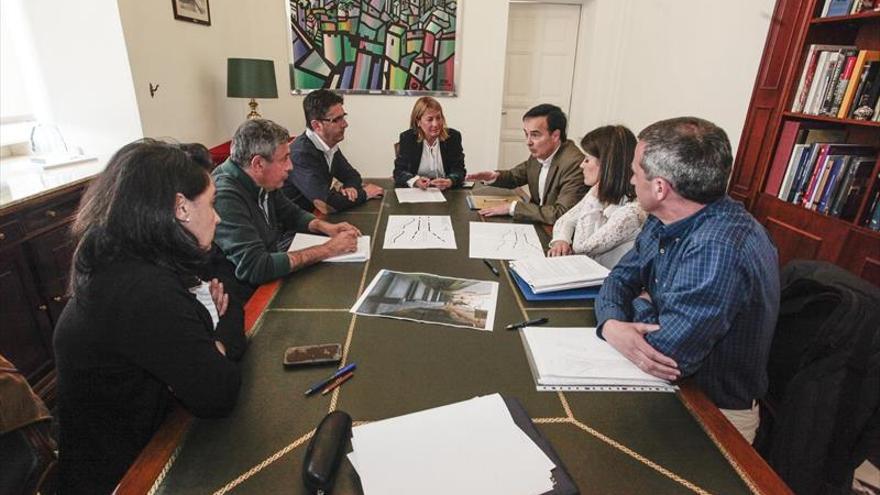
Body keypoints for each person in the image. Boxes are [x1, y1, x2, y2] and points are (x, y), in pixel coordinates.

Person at [53, 139, 243, 494]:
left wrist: (211, 340)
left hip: (136, 436)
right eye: (212, 204)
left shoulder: (124, 253)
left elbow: (223, 278)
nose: (218, 217)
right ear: (181, 208)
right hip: (126, 473)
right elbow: (219, 392)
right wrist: (222, 331)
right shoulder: (140, 288)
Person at [595, 117, 780, 443]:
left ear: (660, 187)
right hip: (673, 389)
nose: (630, 178)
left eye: (636, 171)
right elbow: (620, 278)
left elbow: (666, 355)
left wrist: (638, 301)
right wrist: (611, 322)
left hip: (712, 412)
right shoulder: (664, 217)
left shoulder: (720, 248)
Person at [213, 119, 361, 299]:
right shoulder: (224, 195)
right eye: (284, 159)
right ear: (258, 164)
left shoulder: (261, 180)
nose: (290, 166)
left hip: (269, 269)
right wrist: (328, 249)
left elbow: (291, 213)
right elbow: (256, 267)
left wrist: (325, 227)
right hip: (245, 296)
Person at [466, 103, 586, 225]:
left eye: (535, 135)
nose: (528, 142)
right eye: (526, 134)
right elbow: (515, 176)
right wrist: (493, 176)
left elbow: (561, 213)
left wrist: (512, 208)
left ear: (555, 136)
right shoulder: (541, 153)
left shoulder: (575, 163)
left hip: (559, 234)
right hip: (540, 223)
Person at [547, 125, 645, 268]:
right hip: (589, 274)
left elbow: (581, 247)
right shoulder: (599, 191)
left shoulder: (632, 211)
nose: (581, 165)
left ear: (606, 165)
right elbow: (566, 220)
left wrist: (593, 199)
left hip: (607, 284)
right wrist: (560, 240)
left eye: (587, 160)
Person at [283, 89, 384, 213]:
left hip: (313, 217)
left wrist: (350, 189)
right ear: (316, 125)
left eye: (343, 117)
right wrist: (365, 194)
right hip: (293, 227)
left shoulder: (329, 144)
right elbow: (327, 205)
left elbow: (352, 175)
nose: (345, 124)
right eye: (337, 120)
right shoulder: (301, 155)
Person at [393, 96, 466, 190]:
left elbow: (459, 170)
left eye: (438, 118)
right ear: (418, 121)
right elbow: (399, 172)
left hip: (446, 193)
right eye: (430, 119)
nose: (435, 124)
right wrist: (415, 181)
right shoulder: (408, 138)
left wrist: (450, 181)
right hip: (417, 193)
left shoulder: (453, 137)